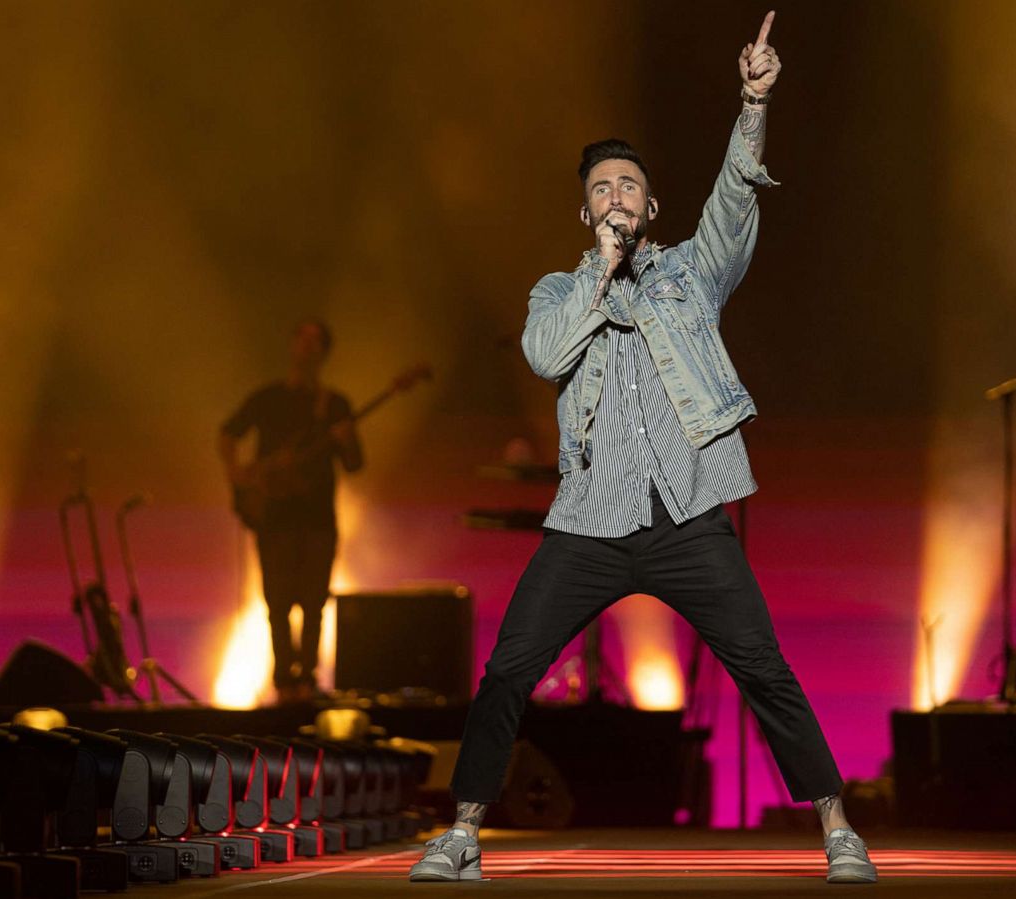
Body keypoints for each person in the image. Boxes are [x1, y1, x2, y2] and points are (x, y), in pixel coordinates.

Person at [410, 12, 876, 885]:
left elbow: (736, 199)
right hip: (590, 520)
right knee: (509, 666)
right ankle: (464, 831)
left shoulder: (690, 275)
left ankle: (838, 828)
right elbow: (547, 352)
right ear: (585, 208)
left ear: (652, 206)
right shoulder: (558, 289)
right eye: (602, 188)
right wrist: (597, 268)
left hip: (689, 517)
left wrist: (753, 102)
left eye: (630, 186)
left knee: (764, 667)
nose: (618, 196)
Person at [219, 318, 363, 703]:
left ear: (324, 352)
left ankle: (308, 678)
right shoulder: (267, 399)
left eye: (316, 341)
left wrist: (347, 440)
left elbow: (353, 463)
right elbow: (228, 433)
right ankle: (284, 681)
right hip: (275, 519)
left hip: (317, 519)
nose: (307, 346)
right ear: (292, 345)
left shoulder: (335, 405)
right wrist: (238, 477)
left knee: (314, 602)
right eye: (302, 338)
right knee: (278, 602)